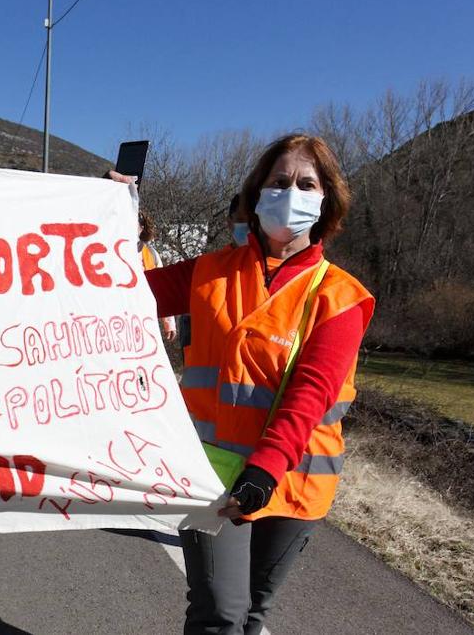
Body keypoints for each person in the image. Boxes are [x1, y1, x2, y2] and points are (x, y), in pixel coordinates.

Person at [118, 134, 374, 635]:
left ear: (326, 201)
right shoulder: (208, 272)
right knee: (219, 614)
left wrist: (265, 469)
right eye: (279, 182)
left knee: (253, 614)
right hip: (212, 478)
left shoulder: (342, 296)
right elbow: (115, 289)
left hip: (295, 479)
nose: (291, 193)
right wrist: (101, 217)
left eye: (306, 184)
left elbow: (312, 392)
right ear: (257, 193)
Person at [138, 210, 178, 342]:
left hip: (146, 317)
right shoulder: (110, 250)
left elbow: (162, 289)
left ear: (141, 228)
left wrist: (169, 323)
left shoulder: (151, 254)